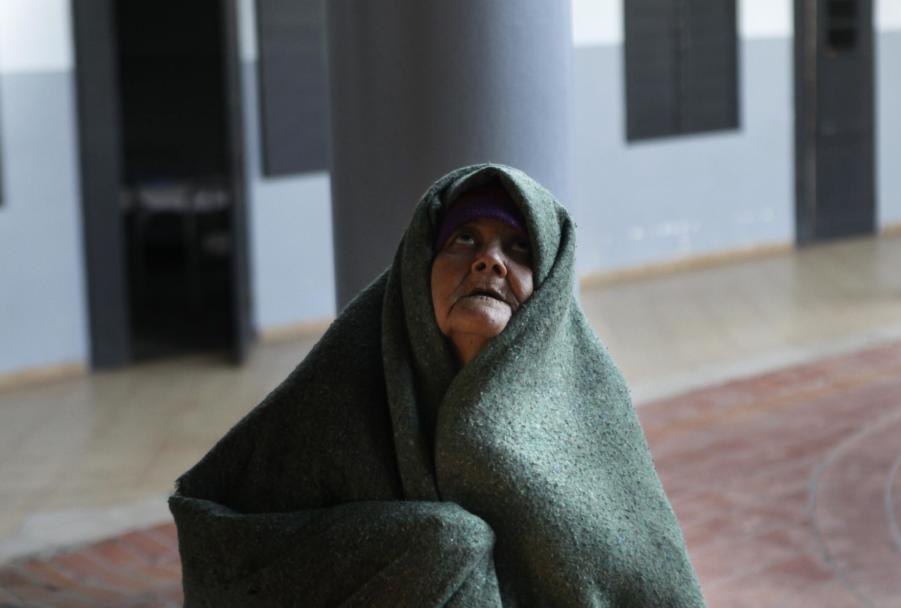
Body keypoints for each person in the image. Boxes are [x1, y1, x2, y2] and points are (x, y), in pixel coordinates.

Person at [170, 164, 706, 607]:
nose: (489, 260)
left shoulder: (587, 398)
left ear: (546, 293)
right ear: (419, 268)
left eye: (519, 249)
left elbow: (644, 576)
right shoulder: (348, 377)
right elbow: (216, 528)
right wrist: (422, 551)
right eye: (464, 238)